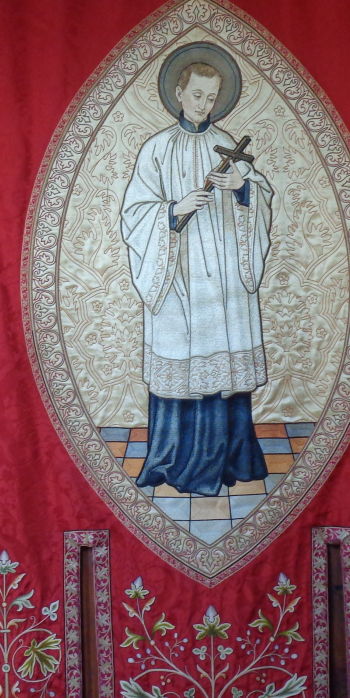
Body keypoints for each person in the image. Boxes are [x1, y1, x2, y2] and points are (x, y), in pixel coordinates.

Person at [120, 48, 274, 497]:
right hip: (178, 278)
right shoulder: (157, 148)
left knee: (223, 368)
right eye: (197, 95)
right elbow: (134, 212)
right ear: (179, 92)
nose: (204, 104)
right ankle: (171, 459)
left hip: (224, 284)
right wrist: (172, 209)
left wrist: (243, 188)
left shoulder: (228, 146)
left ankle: (230, 458)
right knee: (180, 362)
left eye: (211, 97)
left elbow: (262, 199)